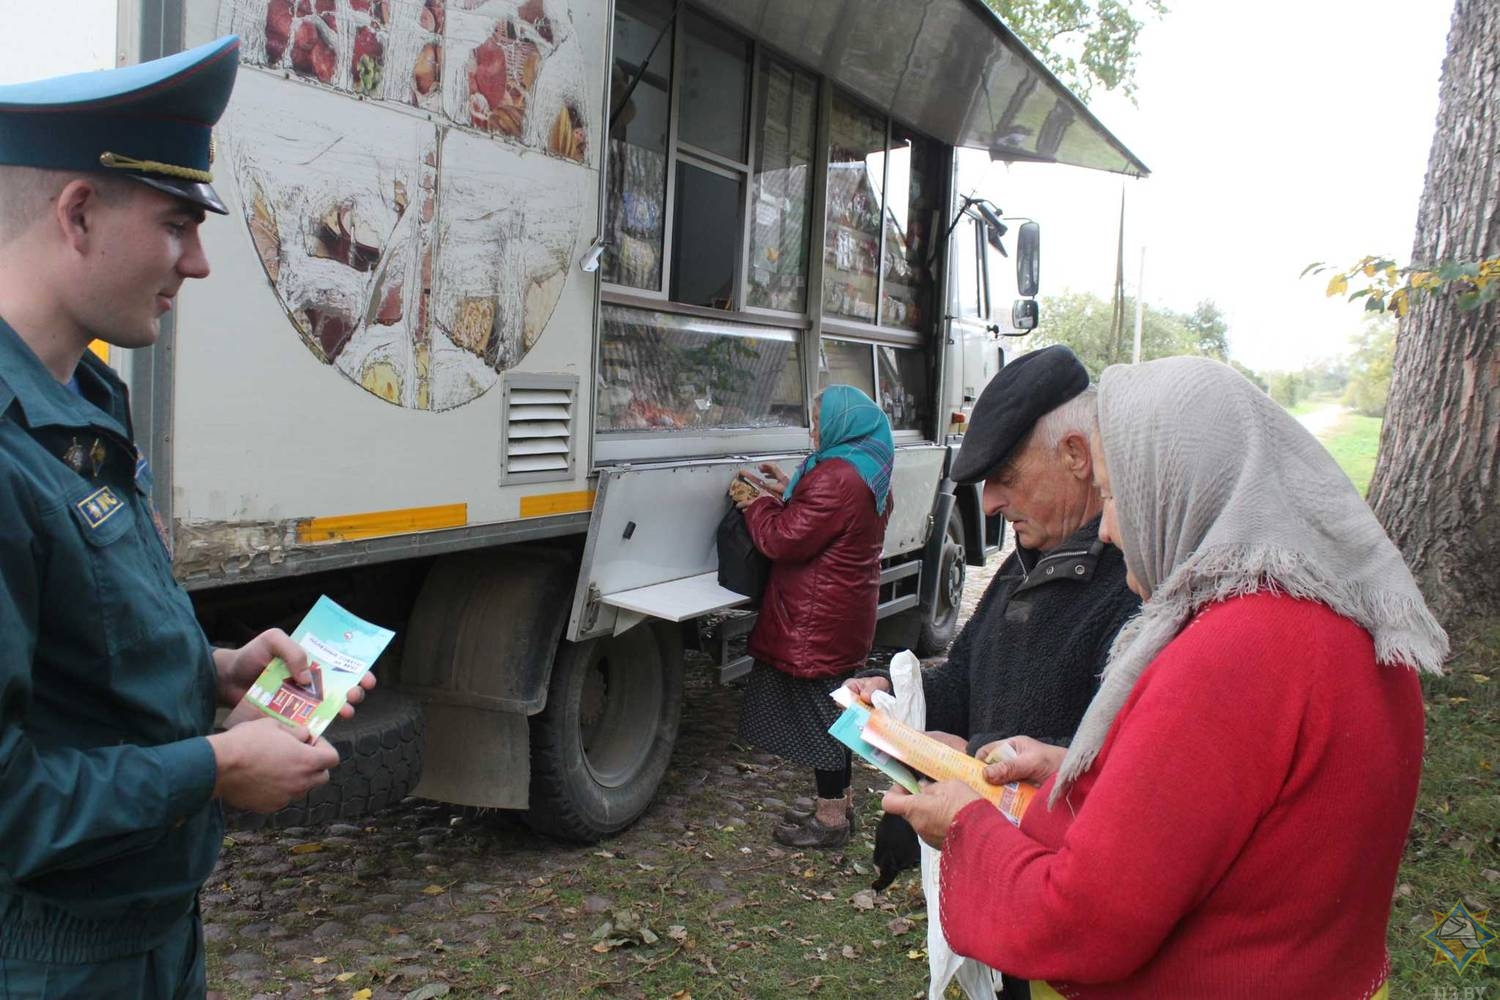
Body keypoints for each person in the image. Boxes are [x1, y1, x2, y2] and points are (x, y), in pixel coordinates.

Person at [885, 356, 1446, 999]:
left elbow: (1083, 922)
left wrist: (965, 826)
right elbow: (1232, 818)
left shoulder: (1235, 651)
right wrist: (1083, 771)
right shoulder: (1346, 616)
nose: (1112, 528)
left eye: (1119, 496)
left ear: (1186, 486)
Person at [0, 38, 372, 998]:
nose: (198, 264)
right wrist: (211, 768)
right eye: (177, 224)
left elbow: (72, 648)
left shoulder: (80, 393)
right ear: (79, 213)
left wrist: (219, 673)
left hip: (144, 926)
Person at [731, 384, 893, 849]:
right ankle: (838, 807)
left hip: (815, 620)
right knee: (835, 714)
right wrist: (790, 488)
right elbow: (825, 518)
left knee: (822, 723)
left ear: (843, 425)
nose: (815, 431)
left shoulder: (837, 476)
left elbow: (782, 539)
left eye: (821, 423)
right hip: (842, 613)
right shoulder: (866, 467)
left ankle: (830, 822)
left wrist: (755, 502)